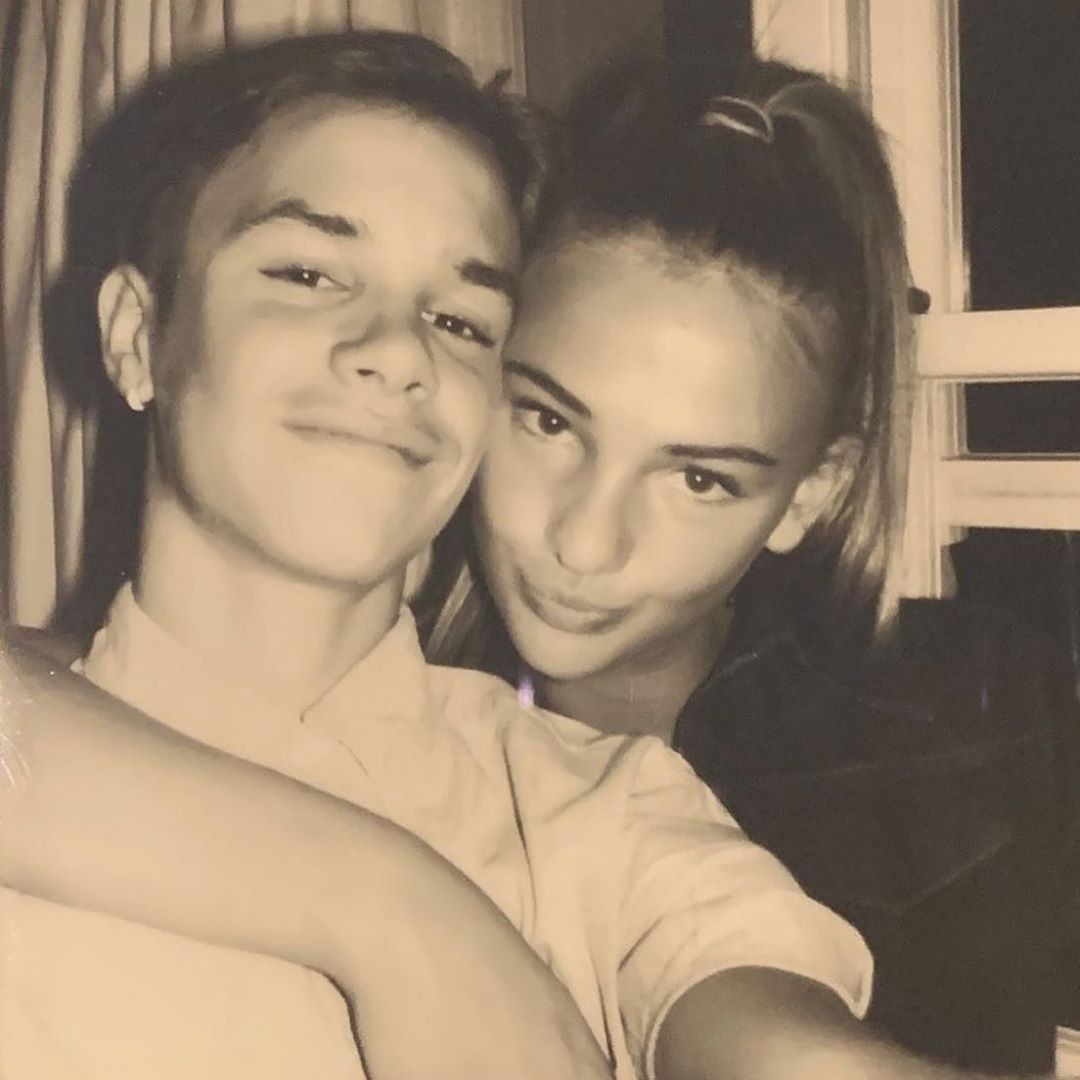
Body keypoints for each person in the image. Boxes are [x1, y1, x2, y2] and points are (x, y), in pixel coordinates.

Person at [0, 31, 1066, 1080]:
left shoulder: (613, 812)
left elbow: (770, 1024)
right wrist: (403, 917)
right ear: (136, 336)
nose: (396, 350)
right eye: (311, 271)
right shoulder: (44, 720)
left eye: (460, 320)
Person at [415, 55, 1076, 1074]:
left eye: (699, 479)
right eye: (549, 421)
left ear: (807, 494)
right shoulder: (366, 701)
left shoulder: (975, 718)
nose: (586, 543)